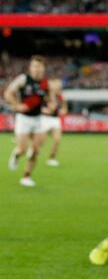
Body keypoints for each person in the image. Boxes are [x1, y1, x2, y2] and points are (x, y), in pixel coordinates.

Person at [4, 55, 55, 187]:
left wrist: (50, 107)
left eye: (39, 66)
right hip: (23, 119)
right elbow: (8, 93)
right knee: (23, 148)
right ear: (30, 67)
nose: (36, 69)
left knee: (36, 150)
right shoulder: (23, 79)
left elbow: (52, 100)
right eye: (34, 66)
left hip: (38, 119)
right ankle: (16, 154)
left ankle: (26, 176)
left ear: (43, 68)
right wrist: (16, 105)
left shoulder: (46, 83)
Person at [40, 78, 68, 166]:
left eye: (59, 84)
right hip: (45, 119)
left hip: (55, 119)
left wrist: (63, 111)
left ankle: (51, 159)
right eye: (56, 84)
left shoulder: (61, 96)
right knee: (42, 140)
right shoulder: (45, 94)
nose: (58, 86)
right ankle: (33, 150)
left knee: (57, 139)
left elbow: (65, 108)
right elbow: (39, 107)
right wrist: (44, 110)